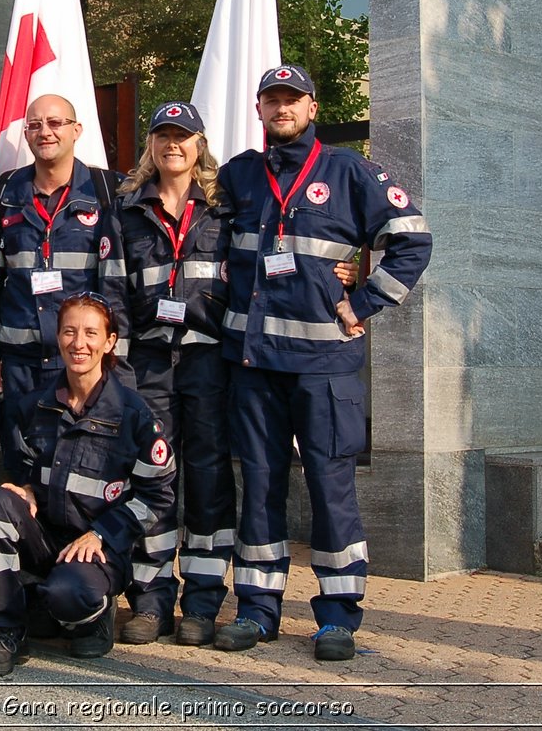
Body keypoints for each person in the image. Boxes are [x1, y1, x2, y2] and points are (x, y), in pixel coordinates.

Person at [107, 102, 360, 646]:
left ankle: (201, 602)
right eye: (163, 136)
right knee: (151, 479)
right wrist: (119, 365)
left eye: (184, 136)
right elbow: (113, 295)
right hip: (148, 364)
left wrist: (351, 269)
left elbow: (275, 255)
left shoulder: (228, 205)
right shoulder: (127, 210)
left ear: (200, 145)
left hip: (210, 362)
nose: (173, 145)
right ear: (150, 146)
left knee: (209, 482)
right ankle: (150, 602)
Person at [214, 65, 432, 661]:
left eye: (293, 100)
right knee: (258, 486)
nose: (282, 108)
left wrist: (361, 300)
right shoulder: (237, 176)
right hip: (254, 365)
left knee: (331, 487)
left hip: (324, 365)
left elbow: (412, 237)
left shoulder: (349, 170)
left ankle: (337, 618)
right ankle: (258, 611)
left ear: (312, 108)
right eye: (272, 100)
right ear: (259, 109)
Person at [0, 291, 175, 677]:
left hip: (100, 550)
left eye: (91, 334)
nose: (79, 344)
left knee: (69, 595)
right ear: (58, 338)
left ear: (109, 341)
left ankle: (89, 615)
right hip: (47, 541)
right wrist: (24, 487)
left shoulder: (134, 414)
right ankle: (6, 633)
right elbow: (21, 468)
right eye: (69, 332)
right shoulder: (34, 406)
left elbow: (157, 495)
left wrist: (101, 534)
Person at [0, 94, 124, 478]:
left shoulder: (107, 191)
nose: (45, 132)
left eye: (56, 123)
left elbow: (118, 286)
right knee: (20, 470)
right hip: (18, 364)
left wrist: (114, 358)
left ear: (77, 130)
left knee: (84, 468)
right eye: (35, 124)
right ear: (26, 135)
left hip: (81, 361)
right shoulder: (4, 195)